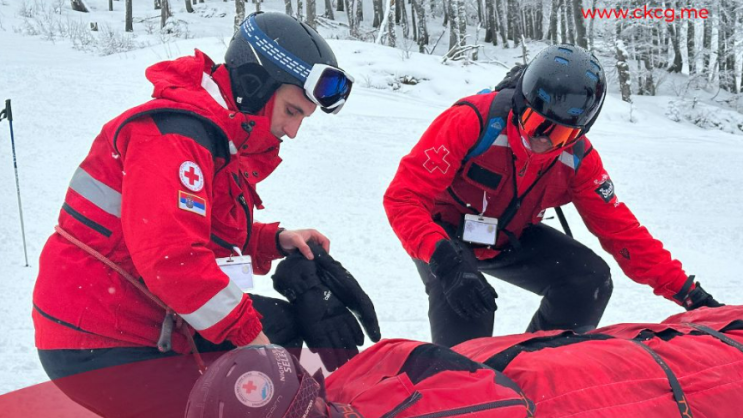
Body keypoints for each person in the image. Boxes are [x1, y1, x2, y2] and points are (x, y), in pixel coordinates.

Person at [32, 11, 355, 418]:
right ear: (254, 86)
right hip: (100, 341)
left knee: (281, 329)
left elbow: (204, 229)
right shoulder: (174, 137)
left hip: (142, 317)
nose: (292, 131)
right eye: (292, 111)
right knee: (257, 391)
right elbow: (174, 260)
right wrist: (260, 347)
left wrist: (275, 240)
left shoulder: (211, 135)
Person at [383, 44, 722, 347]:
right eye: (536, 124)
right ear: (520, 104)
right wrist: (445, 261)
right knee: (471, 307)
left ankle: (533, 367)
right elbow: (404, 198)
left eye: (560, 134)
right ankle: (461, 380)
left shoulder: (578, 159)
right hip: (444, 236)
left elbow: (622, 231)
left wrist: (689, 294)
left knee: (589, 279)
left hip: (507, 235)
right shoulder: (472, 121)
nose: (543, 140)